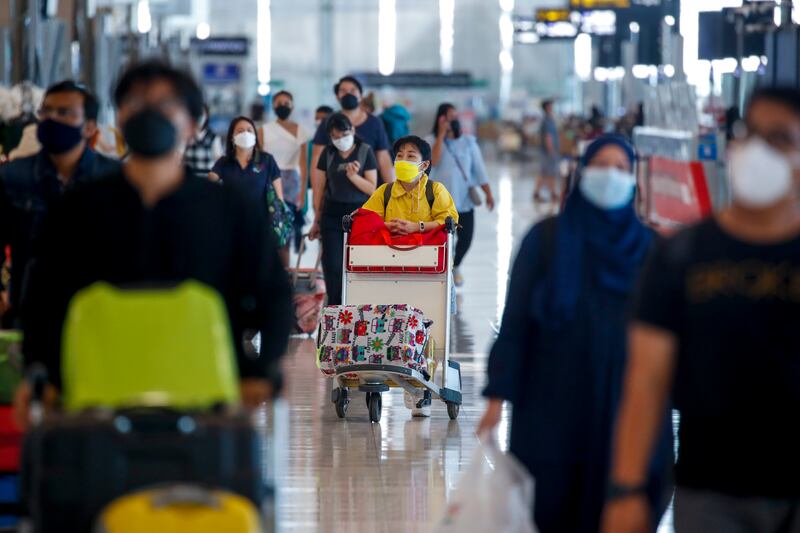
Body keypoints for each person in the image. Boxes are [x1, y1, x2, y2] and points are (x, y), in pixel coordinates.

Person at [16, 60, 292, 425]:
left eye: (165, 105)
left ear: (193, 125)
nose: (150, 114)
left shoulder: (229, 210)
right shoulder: (79, 208)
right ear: (121, 117)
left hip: (208, 398)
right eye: (136, 102)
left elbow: (272, 291)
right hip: (94, 400)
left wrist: (262, 368)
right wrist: (42, 372)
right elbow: (44, 295)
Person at [602, 87, 800, 533]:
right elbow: (646, 380)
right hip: (712, 488)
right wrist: (627, 489)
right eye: (752, 134)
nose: (760, 151)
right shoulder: (682, 255)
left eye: (781, 139)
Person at [478, 135, 672, 533]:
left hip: (631, 407)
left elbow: (674, 337)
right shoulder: (545, 240)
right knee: (552, 510)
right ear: (582, 173)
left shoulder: (651, 250)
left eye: (621, 168)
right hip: (552, 409)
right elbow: (515, 323)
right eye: (602, 165)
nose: (611, 176)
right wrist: (497, 399)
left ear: (634, 180)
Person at [0, 81, 120, 328]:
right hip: (29, 311)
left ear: (88, 127)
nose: (52, 118)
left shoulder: (115, 180)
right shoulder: (13, 177)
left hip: (101, 313)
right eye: (46, 111)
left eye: (64, 113)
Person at [362, 135, 458, 417]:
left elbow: (449, 221)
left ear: (425, 164)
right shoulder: (385, 192)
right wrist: (383, 226)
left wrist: (416, 225)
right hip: (391, 271)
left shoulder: (435, 191)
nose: (403, 160)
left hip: (429, 272)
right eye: (400, 155)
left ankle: (420, 388)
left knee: (429, 328)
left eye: (411, 156)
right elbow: (366, 219)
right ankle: (384, 374)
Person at [309, 112, 378, 306]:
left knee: (357, 264)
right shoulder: (328, 153)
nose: (341, 139)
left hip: (359, 215)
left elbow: (372, 189)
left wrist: (354, 176)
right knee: (332, 265)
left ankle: (357, 307)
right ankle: (335, 308)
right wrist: (316, 220)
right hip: (331, 215)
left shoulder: (365, 151)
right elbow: (320, 188)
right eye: (335, 136)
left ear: (353, 130)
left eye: (344, 134)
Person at [210, 116, 291, 265]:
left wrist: (279, 220)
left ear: (255, 135)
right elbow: (211, 179)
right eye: (240, 131)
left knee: (258, 266)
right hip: (232, 224)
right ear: (232, 137)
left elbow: (279, 197)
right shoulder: (224, 162)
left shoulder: (267, 160)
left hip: (261, 224)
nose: (245, 134)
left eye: (249, 130)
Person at [429, 103, 495, 287]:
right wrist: (441, 135)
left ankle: (456, 265)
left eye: (455, 116)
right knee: (442, 240)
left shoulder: (468, 142)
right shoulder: (431, 141)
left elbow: (479, 170)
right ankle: (442, 270)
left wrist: (488, 194)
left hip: (464, 201)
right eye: (449, 117)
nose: (453, 120)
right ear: (440, 119)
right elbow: (433, 161)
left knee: (466, 238)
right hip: (440, 203)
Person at [310, 76, 393, 194]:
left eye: (353, 90)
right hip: (334, 195)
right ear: (337, 96)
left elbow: (383, 158)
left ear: (360, 95)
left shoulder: (375, 123)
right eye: (343, 91)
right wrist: (317, 195)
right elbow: (316, 159)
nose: (348, 94)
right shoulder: (328, 122)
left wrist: (390, 192)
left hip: (370, 193)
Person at [261, 90, 311, 254]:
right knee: (267, 227)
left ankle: (285, 272)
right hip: (269, 179)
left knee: (287, 229)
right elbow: (260, 160)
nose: (283, 106)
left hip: (292, 182)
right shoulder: (264, 130)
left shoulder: (300, 130)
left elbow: (304, 165)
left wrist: (303, 195)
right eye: (279, 103)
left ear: (292, 106)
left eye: (286, 103)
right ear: (273, 106)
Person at [183, 104, 223, 178]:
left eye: (202, 113)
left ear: (207, 116)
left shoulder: (213, 137)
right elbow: (179, 157)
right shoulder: (185, 135)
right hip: (189, 178)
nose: (199, 116)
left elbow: (219, 162)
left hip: (207, 179)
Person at [535, 99, 561, 203]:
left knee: (544, 173)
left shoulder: (548, 119)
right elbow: (548, 136)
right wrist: (551, 150)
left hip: (547, 151)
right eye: (550, 106)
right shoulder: (547, 120)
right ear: (547, 108)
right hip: (548, 151)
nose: (552, 108)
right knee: (550, 172)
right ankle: (553, 193)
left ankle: (537, 193)